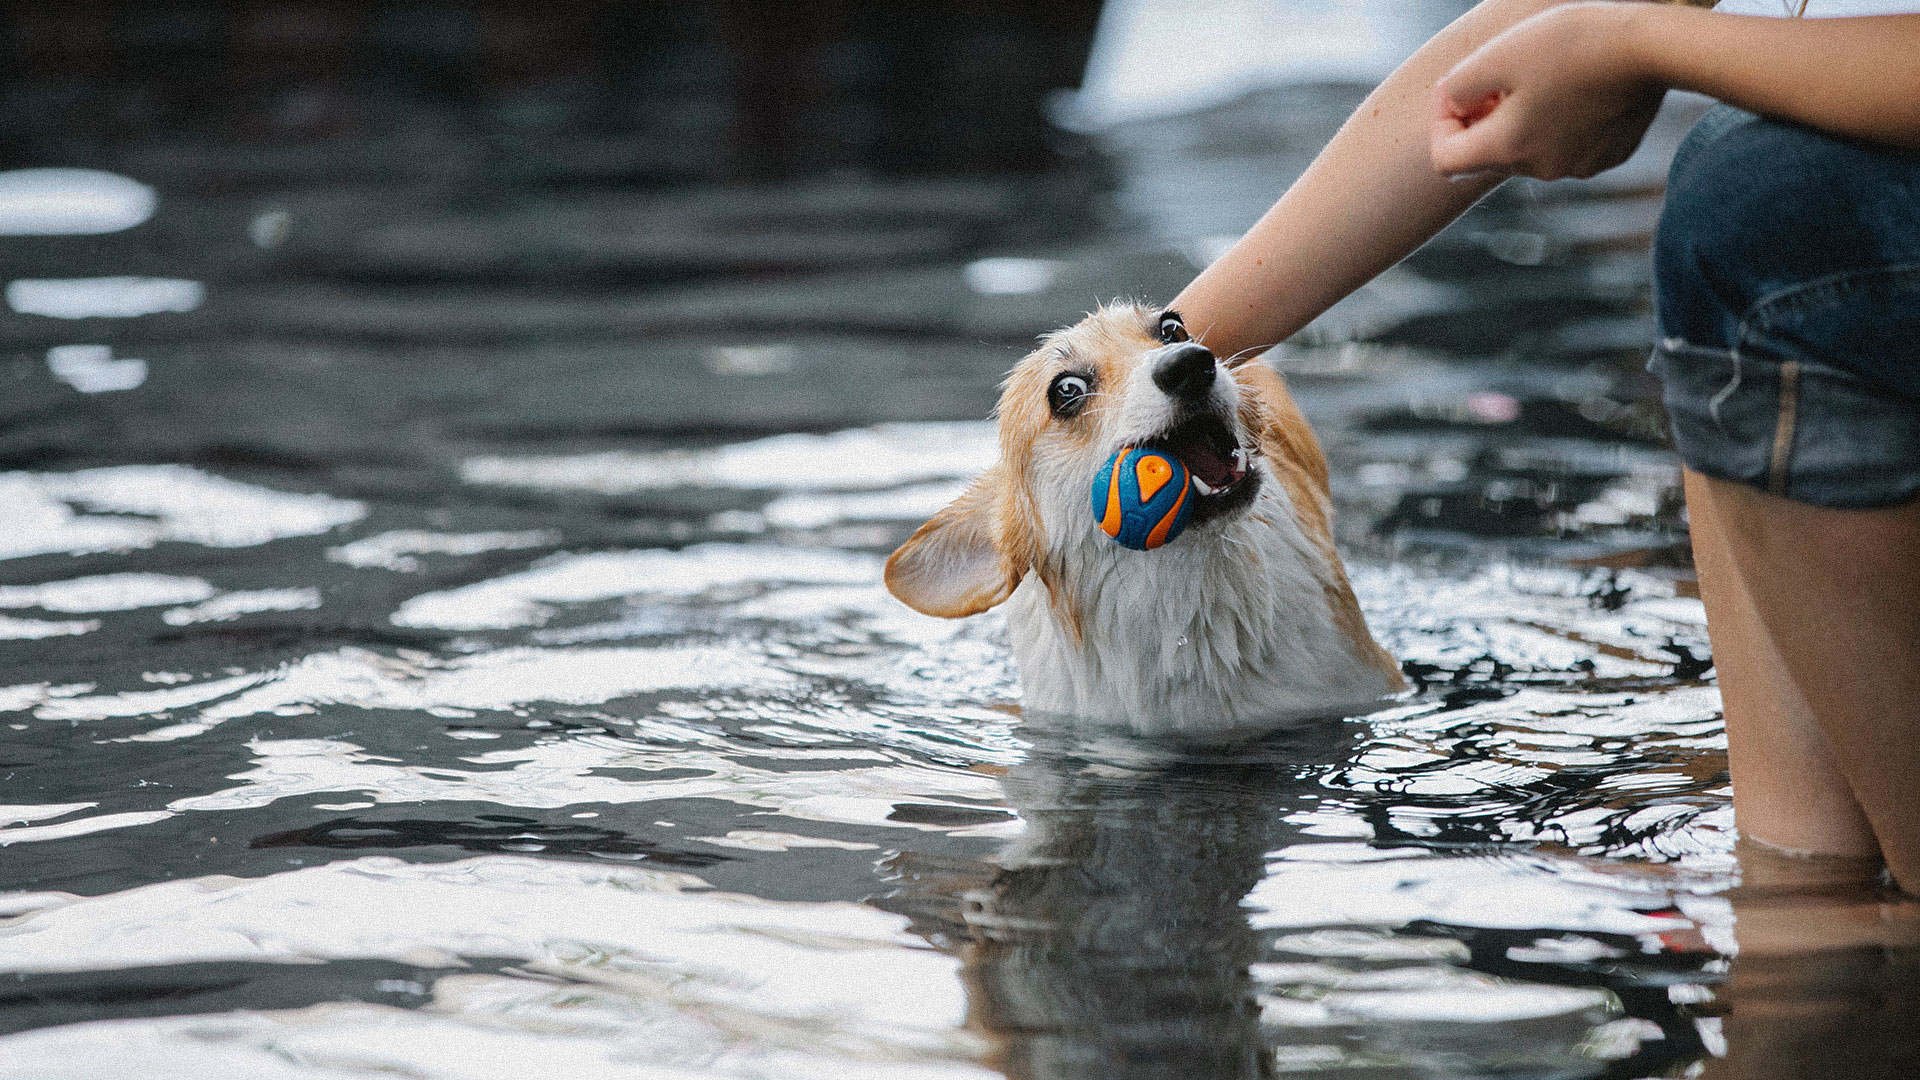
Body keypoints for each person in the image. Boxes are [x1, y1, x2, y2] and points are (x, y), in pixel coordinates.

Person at [1168, 0, 1920, 890]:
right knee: (1801, 875)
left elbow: (1603, 23)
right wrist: (1170, 351)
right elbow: (1518, 34)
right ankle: (1799, 892)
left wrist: (1633, 44)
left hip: (1798, 246)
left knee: (1757, 199)